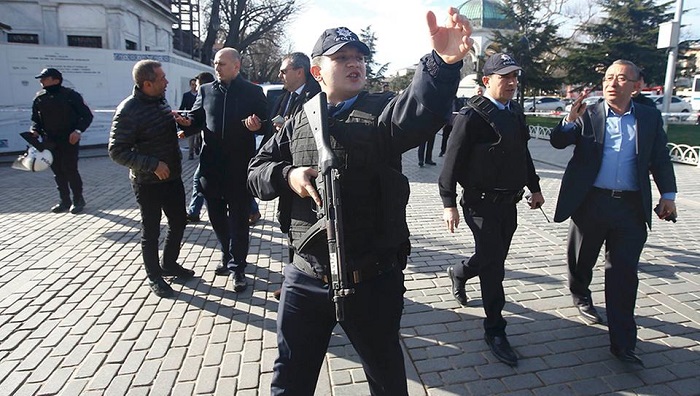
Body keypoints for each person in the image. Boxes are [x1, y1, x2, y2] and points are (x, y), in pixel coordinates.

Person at [248, 8, 473, 395]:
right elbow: (256, 171)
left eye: (359, 58)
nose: (354, 64)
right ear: (317, 71)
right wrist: (288, 176)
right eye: (342, 58)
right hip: (306, 277)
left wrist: (444, 62)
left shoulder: (382, 111)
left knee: (387, 380)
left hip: (371, 280)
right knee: (289, 381)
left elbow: (421, 107)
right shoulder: (298, 119)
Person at [551, 59, 677, 367]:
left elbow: (660, 157)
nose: (612, 83)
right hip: (591, 203)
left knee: (623, 275)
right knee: (582, 259)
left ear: (637, 86)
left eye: (621, 79)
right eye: (608, 78)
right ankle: (580, 293)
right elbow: (557, 142)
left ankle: (623, 343)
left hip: (630, 209)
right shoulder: (589, 114)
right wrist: (569, 120)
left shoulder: (648, 117)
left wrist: (668, 195)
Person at [440, 53, 545, 367]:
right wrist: (448, 204)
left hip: (508, 204)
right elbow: (450, 164)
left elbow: (522, 154)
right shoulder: (470, 117)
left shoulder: (514, 112)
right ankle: (495, 329)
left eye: (514, 77)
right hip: (478, 204)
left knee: (491, 258)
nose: (512, 83)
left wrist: (535, 187)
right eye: (504, 77)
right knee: (493, 267)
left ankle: (459, 272)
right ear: (486, 81)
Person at [175, 48, 269, 292]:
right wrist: (187, 123)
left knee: (239, 220)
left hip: (239, 168)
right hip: (211, 167)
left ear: (236, 66)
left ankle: (238, 268)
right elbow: (197, 119)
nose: (217, 68)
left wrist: (257, 126)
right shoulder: (205, 91)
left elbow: (266, 124)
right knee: (216, 217)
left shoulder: (252, 92)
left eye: (222, 64)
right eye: (215, 63)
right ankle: (227, 254)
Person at [108, 59, 195, 298]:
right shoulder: (128, 110)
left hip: (173, 177)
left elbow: (160, 132)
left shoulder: (160, 101)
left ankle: (169, 264)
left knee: (178, 222)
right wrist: (153, 165)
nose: (167, 82)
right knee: (151, 230)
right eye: (162, 79)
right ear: (147, 83)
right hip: (147, 182)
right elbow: (117, 151)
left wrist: (179, 125)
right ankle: (154, 276)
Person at [31, 67, 94, 214]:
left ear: (56, 80)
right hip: (49, 141)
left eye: (45, 78)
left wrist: (78, 131)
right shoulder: (40, 98)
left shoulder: (71, 95)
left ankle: (78, 199)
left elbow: (86, 116)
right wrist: (34, 130)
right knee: (58, 171)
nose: (41, 81)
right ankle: (64, 201)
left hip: (68, 139)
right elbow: (35, 120)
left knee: (70, 169)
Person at [181, 72, 215, 223]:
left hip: (216, 149)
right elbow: (199, 121)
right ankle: (194, 212)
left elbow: (205, 122)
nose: (195, 87)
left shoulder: (211, 97)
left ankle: (194, 212)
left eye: (197, 84)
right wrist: (187, 127)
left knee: (198, 179)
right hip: (207, 149)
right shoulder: (203, 96)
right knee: (199, 180)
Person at [180, 78, 199, 160]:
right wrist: (178, 115)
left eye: (195, 85)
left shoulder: (200, 95)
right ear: (190, 85)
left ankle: (197, 146)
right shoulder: (186, 95)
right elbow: (182, 106)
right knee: (191, 137)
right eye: (192, 85)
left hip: (198, 119)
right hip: (190, 119)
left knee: (198, 137)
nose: (194, 86)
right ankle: (191, 154)